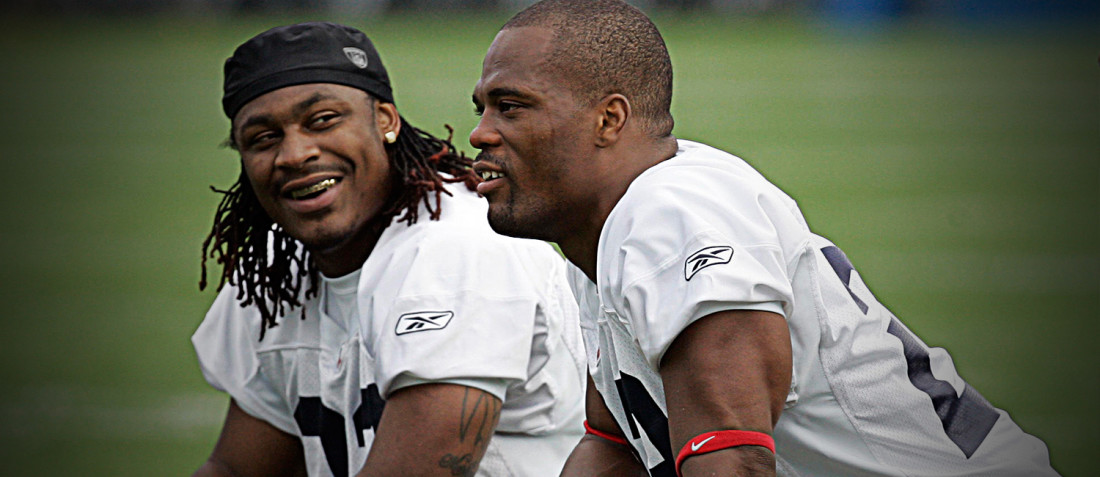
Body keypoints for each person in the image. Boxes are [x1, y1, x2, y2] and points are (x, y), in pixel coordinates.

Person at [468, 1, 1059, 476]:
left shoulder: (672, 215)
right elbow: (615, 447)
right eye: (484, 108)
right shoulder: (602, 231)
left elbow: (737, 461)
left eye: (512, 108)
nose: (480, 133)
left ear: (610, 119)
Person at [191, 21, 586, 477]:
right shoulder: (279, 274)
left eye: (323, 120)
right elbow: (236, 467)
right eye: (263, 139)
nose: (295, 154)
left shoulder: (457, 246)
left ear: (385, 121)